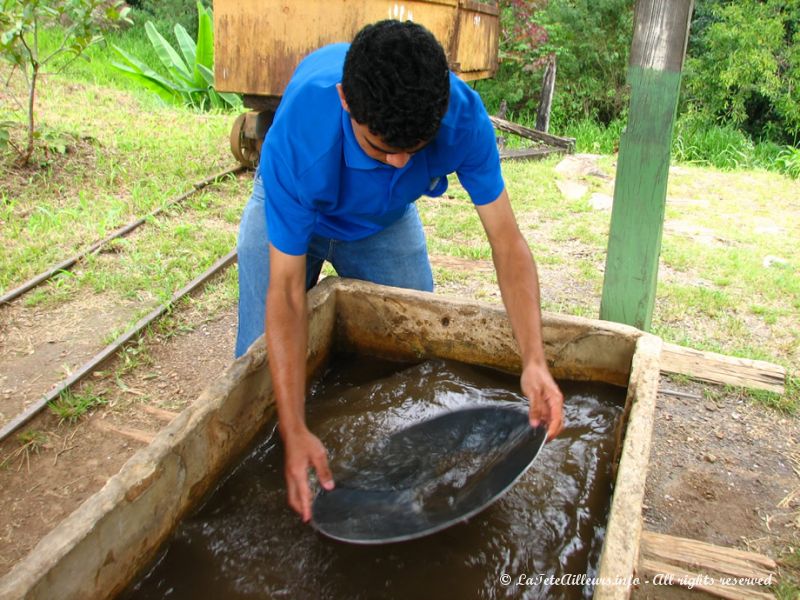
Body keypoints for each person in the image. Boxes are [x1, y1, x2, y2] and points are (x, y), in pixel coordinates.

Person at [236, 19, 564, 522]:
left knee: (416, 355)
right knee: (258, 371)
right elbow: (285, 292)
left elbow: (508, 243)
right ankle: (282, 466)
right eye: (379, 147)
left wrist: (534, 358)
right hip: (293, 205)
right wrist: (295, 428)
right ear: (347, 100)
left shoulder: (461, 117)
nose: (398, 161)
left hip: (382, 220)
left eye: (412, 150)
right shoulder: (304, 135)